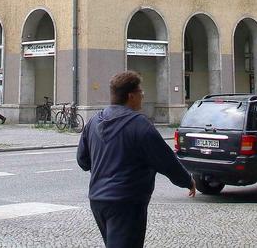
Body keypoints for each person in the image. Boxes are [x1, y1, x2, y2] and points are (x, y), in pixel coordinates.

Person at [77, 71, 194, 247]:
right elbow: (166, 161)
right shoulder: (139, 124)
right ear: (131, 96)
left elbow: (83, 161)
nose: (143, 96)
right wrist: (187, 181)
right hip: (127, 203)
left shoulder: (94, 121)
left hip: (98, 200)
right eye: (141, 92)